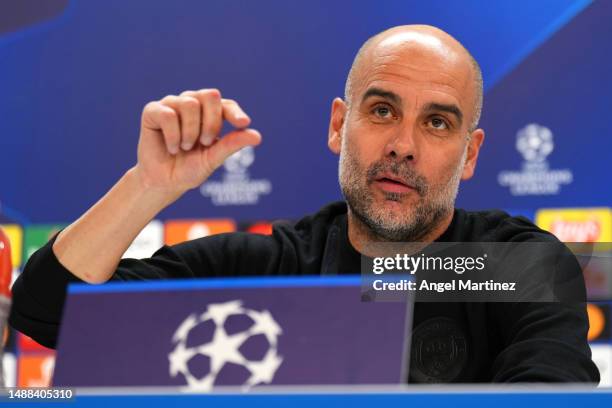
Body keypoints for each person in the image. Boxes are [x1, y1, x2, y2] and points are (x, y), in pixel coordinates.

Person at [9, 25, 599, 383]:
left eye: (437, 123)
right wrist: (150, 184)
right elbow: (50, 311)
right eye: (382, 110)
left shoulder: (516, 268)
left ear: (469, 156)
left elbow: (551, 395)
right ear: (339, 126)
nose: (402, 145)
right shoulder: (266, 268)